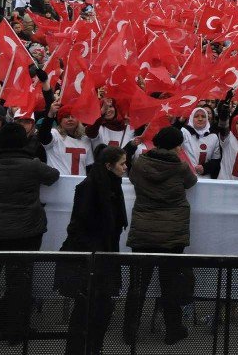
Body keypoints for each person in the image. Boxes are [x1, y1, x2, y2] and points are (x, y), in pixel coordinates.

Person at [0, 123, 60, 343]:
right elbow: (54, 176)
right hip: (26, 232)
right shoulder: (33, 166)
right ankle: (16, 332)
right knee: (20, 283)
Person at [123, 126, 198, 346]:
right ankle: (173, 330)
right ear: (177, 146)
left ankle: (130, 331)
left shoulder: (140, 164)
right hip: (171, 233)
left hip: (144, 231)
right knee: (170, 284)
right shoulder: (180, 167)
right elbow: (192, 183)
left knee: (138, 284)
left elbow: (134, 180)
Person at [56, 146, 128, 355]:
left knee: (100, 309)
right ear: (108, 165)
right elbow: (80, 224)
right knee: (87, 309)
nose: (125, 167)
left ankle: (93, 348)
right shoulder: (89, 187)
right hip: (91, 259)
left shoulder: (113, 185)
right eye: (122, 163)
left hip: (105, 256)